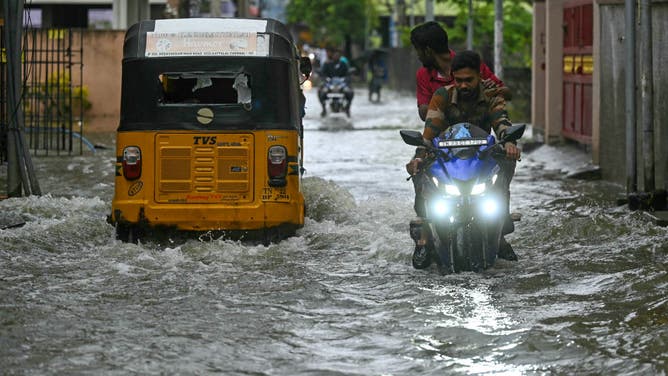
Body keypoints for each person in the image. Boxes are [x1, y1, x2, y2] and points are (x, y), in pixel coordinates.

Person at [406, 50, 521, 268]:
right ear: (453, 77)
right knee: (419, 168)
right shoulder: (442, 95)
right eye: (459, 80)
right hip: (445, 159)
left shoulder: (491, 94)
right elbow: (429, 133)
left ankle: (500, 227)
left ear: (479, 76)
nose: (464, 85)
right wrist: (418, 157)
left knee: (507, 162)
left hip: (481, 158)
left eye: (469, 80)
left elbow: (502, 122)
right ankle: (423, 235)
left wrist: (509, 143)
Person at [409, 21, 511, 122]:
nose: (417, 55)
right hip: (442, 135)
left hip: (477, 131)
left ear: (427, 51)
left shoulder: (471, 63)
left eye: (417, 50)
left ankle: (504, 132)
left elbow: (507, 94)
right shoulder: (423, 75)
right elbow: (423, 113)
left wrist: (491, 90)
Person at [318, 47, 354, 117]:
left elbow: (348, 75)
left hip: (341, 84)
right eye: (335, 55)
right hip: (329, 84)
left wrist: (346, 80)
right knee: (321, 92)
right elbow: (323, 74)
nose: (336, 56)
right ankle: (324, 109)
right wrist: (324, 79)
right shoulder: (327, 64)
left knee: (350, 92)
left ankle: (347, 108)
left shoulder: (343, 64)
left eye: (338, 55)